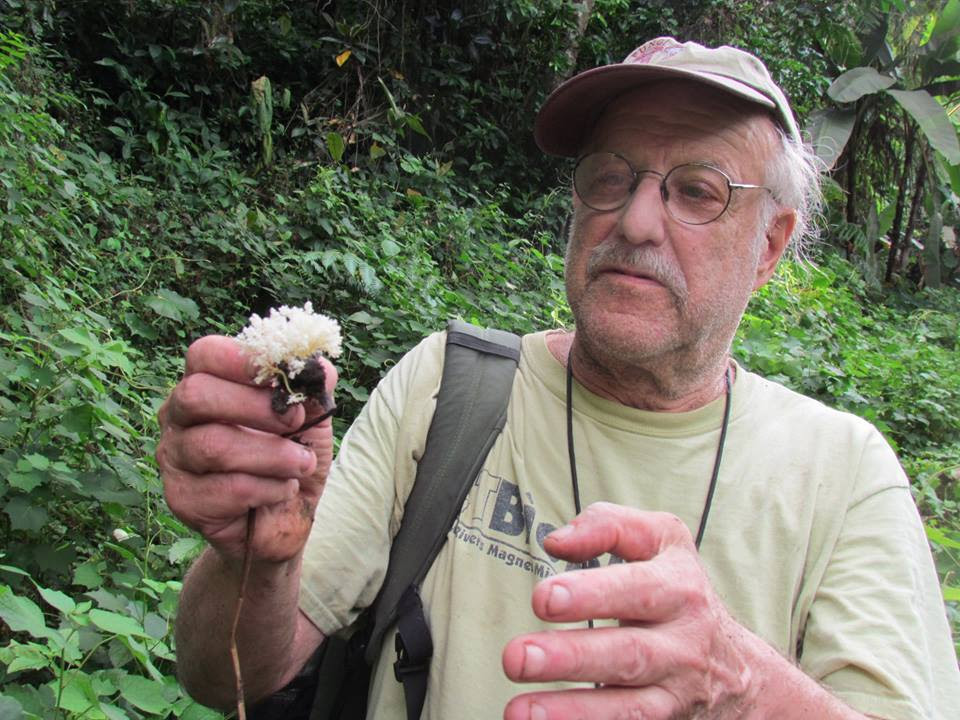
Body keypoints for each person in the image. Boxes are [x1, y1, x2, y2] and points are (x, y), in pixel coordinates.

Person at [158, 37, 960, 719]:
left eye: (697, 192)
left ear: (771, 247)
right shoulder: (444, 389)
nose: (635, 222)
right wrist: (256, 564)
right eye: (610, 176)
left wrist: (741, 680)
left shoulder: (842, 476)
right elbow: (225, 678)